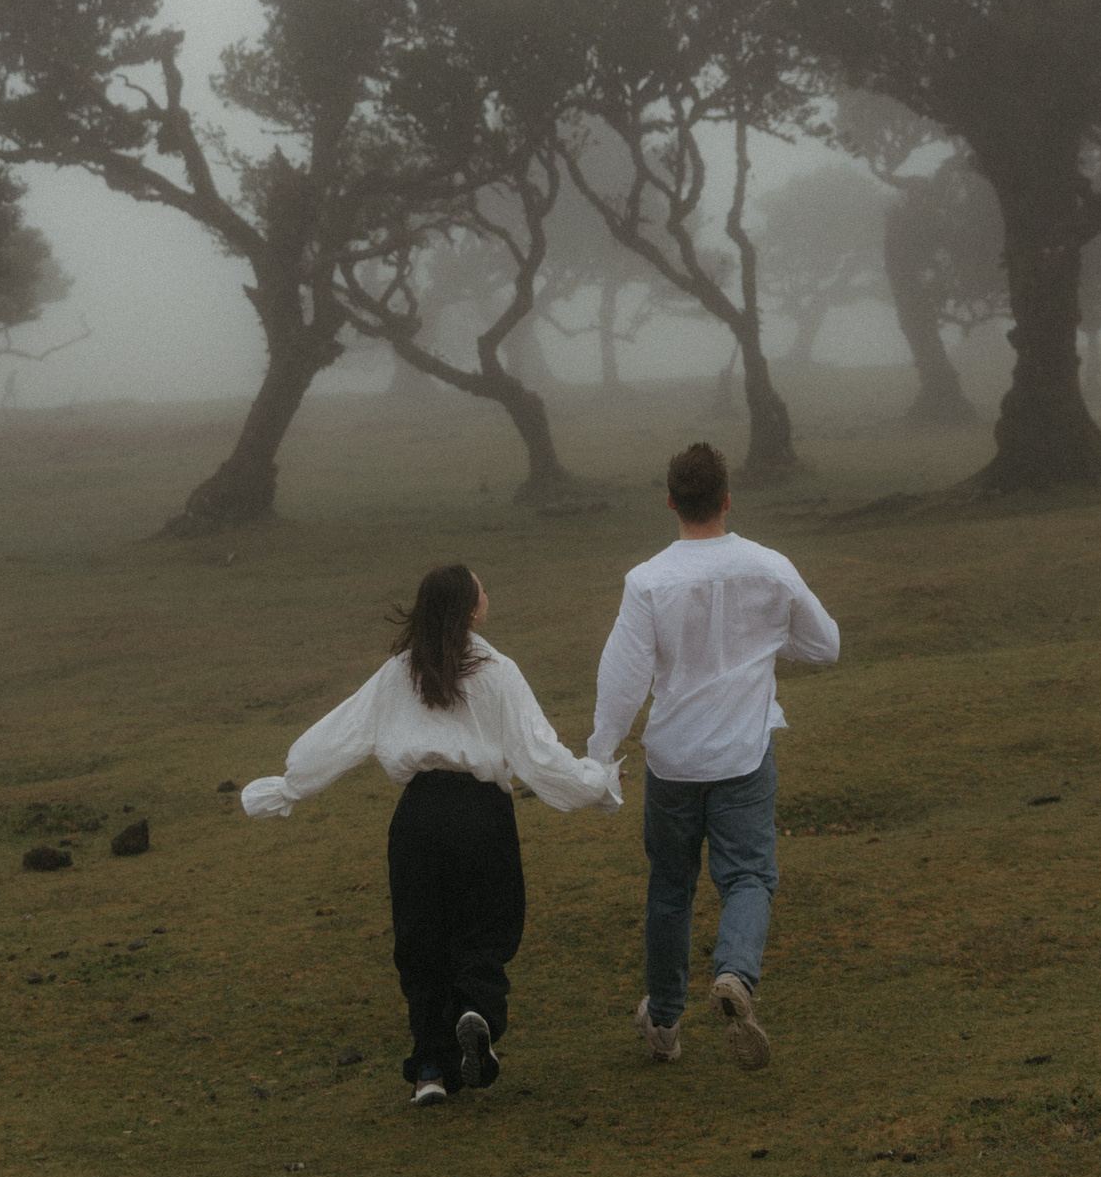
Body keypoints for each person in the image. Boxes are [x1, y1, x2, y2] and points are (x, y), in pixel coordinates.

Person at [243, 563, 621, 1106]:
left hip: (416, 818)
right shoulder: (498, 671)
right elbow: (538, 756)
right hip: (481, 815)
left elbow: (342, 733)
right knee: (485, 926)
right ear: (472, 609)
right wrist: (597, 783)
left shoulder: (398, 672)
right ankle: (477, 1013)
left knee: (421, 939)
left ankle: (429, 1070)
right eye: (482, 589)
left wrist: (289, 786)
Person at [588, 443, 839, 1071]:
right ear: (727, 499)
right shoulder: (771, 567)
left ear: (671, 500)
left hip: (673, 761)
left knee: (670, 888)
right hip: (745, 755)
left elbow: (623, 679)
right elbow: (825, 644)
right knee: (749, 876)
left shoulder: (646, 581)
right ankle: (735, 975)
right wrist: (767, 645)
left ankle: (665, 1022)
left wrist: (598, 758)